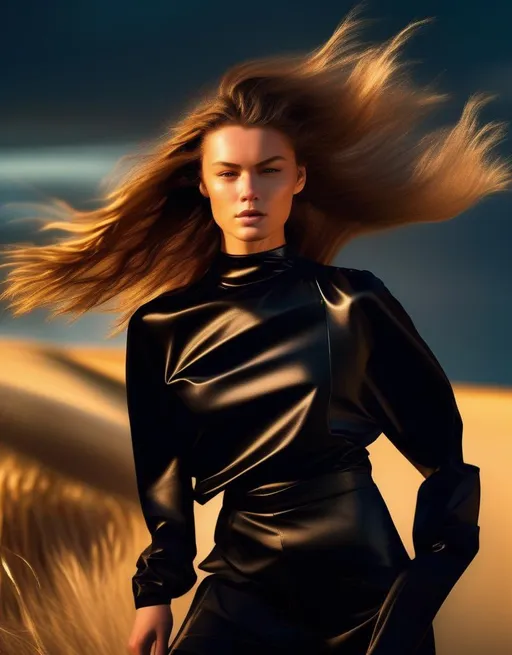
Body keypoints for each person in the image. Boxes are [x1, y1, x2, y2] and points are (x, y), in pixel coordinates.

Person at [0, 7, 509, 655]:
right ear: (202, 183)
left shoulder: (351, 303)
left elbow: (446, 459)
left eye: (269, 169)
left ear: (298, 180)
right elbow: (164, 478)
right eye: (230, 172)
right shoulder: (161, 328)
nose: (250, 191)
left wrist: (420, 587)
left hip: (368, 591)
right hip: (240, 588)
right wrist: (156, 592)